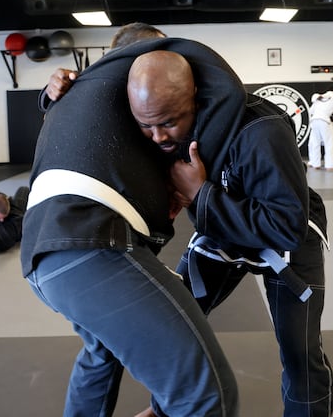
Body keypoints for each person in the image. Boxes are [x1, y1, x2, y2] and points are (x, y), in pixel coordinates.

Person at [21, 36, 238, 415]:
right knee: (205, 394)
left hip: (41, 253)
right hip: (90, 246)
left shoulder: (84, 98)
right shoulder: (115, 80)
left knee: (101, 352)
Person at [126, 45, 333, 417]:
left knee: (299, 351)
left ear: (194, 97)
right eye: (147, 125)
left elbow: (285, 228)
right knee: (176, 321)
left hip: (289, 235)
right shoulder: (156, 122)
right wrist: (55, 94)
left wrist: (199, 194)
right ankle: (165, 407)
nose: (157, 137)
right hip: (223, 232)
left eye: (169, 122)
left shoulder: (261, 130)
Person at [39, 22, 166, 111]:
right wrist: (53, 90)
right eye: (160, 53)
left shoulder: (164, 86)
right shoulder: (88, 83)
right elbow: (51, 97)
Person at [307, 87, 333, 170]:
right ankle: (330, 166)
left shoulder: (319, 97)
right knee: (329, 143)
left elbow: (310, 111)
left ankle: (315, 164)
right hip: (324, 120)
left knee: (315, 143)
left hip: (314, 120)